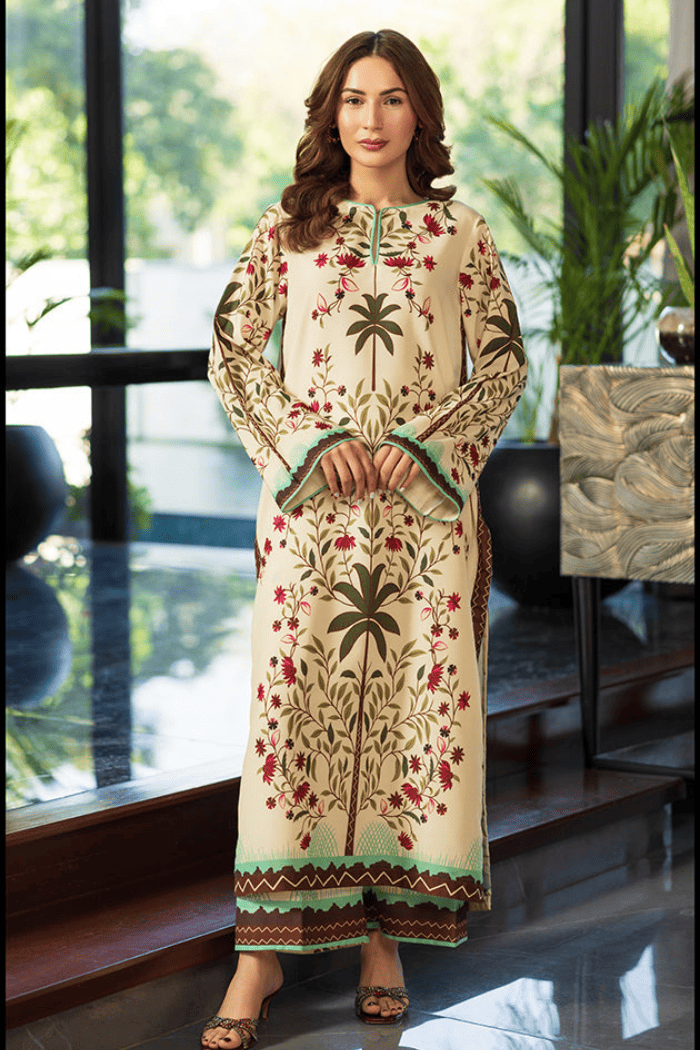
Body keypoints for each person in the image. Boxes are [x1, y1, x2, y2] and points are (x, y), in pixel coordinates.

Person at [204, 27, 527, 1049]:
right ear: (329, 112)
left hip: (424, 524)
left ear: (419, 116)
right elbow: (231, 355)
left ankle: (383, 938)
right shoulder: (285, 232)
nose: (371, 119)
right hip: (311, 519)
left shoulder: (459, 235)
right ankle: (257, 962)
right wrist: (305, 442)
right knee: (291, 717)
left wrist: (429, 451)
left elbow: (504, 366)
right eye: (354, 99)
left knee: (413, 721)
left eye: (391, 100)